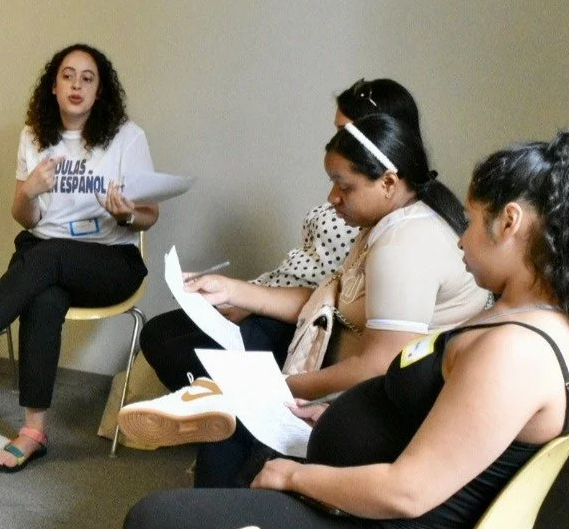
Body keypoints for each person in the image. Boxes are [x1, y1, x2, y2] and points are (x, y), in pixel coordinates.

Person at [122, 130, 569, 529]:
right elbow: (444, 419)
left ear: (511, 223)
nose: (461, 239)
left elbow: (408, 492)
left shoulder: (516, 353)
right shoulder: (532, 318)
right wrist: (335, 415)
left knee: (155, 523)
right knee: (238, 465)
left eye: (471, 222)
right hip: (384, 519)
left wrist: (295, 476)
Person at [121, 112, 492, 488]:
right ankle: (212, 466)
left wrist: (280, 388)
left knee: (239, 400)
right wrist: (233, 290)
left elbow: (377, 367)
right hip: (351, 369)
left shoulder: (403, 245)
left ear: (388, 183)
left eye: (343, 186)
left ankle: (213, 479)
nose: (332, 198)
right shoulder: (385, 225)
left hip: (384, 404)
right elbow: (328, 302)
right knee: (235, 372)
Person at [0, 44, 156, 471]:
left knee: (49, 255)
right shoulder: (34, 136)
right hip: (45, 259)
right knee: (44, 293)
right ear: (53, 87)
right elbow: (25, 218)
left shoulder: (127, 138)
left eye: (88, 78)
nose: (77, 85)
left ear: (100, 91)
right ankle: (34, 430)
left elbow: (150, 216)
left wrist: (127, 212)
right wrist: (29, 192)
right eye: (68, 76)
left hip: (111, 262)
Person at [135, 79, 421, 392]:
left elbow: (332, 304)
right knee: (157, 333)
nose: (333, 197)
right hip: (273, 293)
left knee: (198, 355)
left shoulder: (392, 231)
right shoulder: (361, 209)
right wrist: (239, 291)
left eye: (345, 132)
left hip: (292, 319)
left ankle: (219, 417)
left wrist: (249, 301)